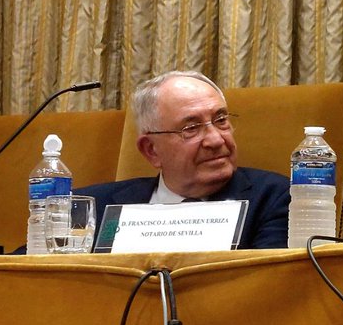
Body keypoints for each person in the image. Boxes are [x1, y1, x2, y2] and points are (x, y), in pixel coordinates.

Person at [78, 71, 291, 249]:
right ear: (151, 150)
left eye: (221, 120)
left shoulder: (275, 199)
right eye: (191, 128)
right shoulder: (88, 207)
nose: (216, 140)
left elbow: (264, 289)